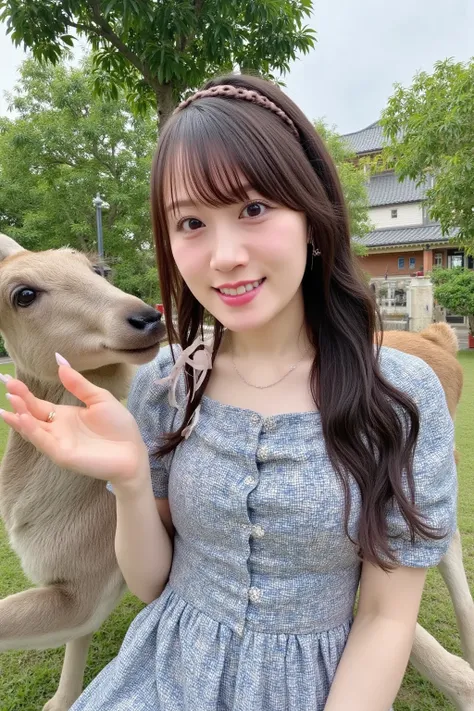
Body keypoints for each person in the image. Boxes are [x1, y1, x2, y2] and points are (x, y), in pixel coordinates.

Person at [0, 74, 457, 711]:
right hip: (161, 675)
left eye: (252, 209)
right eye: (191, 221)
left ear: (312, 213)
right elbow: (151, 583)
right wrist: (132, 479)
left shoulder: (399, 398)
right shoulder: (166, 387)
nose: (224, 256)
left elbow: (385, 619)